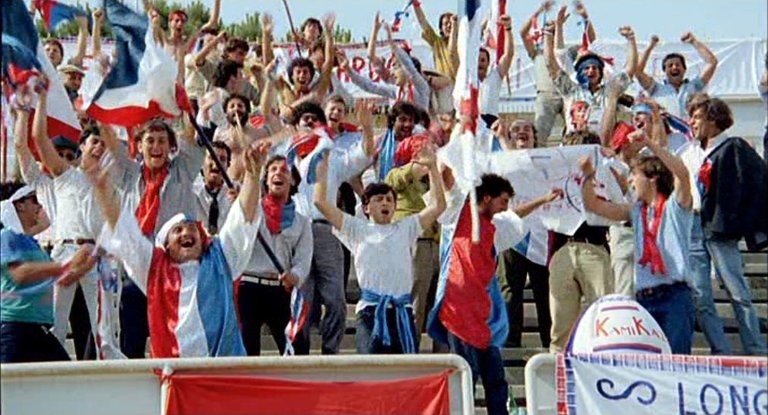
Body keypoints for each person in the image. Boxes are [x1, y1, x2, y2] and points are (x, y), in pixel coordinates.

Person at [93, 142, 269, 358]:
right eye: (177, 230)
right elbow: (125, 232)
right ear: (165, 245)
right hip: (177, 377)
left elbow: (243, 218)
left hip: (223, 373)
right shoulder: (154, 269)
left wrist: (253, 174)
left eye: (192, 229)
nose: (186, 233)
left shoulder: (221, 260)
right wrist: (102, 190)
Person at [315, 143, 446, 354]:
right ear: (366, 207)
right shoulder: (356, 229)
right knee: (370, 373)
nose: (385, 203)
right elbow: (321, 203)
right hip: (370, 312)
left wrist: (432, 168)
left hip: (402, 312)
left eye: (389, 200)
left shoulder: (406, 227)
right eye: (378, 199)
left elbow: (438, 206)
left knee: (404, 377)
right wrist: (322, 171)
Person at [580, 130, 696, 354]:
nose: (631, 181)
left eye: (635, 175)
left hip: (674, 296)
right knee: (646, 363)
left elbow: (682, 174)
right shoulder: (635, 211)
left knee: (677, 359)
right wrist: (587, 176)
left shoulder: (676, 206)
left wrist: (649, 143)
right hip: (643, 298)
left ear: (652, 178)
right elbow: (595, 206)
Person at [102, 118, 205, 359]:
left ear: (171, 147)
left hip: (172, 273)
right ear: (139, 146)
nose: (156, 147)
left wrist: (184, 107)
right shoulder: (128, 174)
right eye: (150, 141)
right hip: (137, 271)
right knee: (132, 342)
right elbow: (109, 141)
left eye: (162, 141)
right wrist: (104, 106)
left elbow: (189, 137)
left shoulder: (183, 170)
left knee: (172, 342)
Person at [428, 173, 528, 415]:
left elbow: (516, 216)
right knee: (466, 376)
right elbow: (446, 182)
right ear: (486, 197)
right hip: (459, 311)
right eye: (502, 201)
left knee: (496, 379)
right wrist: (434, 165)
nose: (505, 207)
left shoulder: (494, 226)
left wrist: (544, 199)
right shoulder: (457, 217)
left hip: (483, 315)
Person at [678, 95, 768, 355]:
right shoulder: (690, 151)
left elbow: (752, 183)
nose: (692, 122)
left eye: (697, 117)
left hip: (719, 229)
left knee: (737, 291)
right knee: (701, 296)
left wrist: (734, 219)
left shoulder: (733, 146)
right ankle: (721, 350)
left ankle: (754, 347)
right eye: (692, 117)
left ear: (714, 119)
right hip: (693, 226)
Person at [287, 101, 375, 355]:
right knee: (302, 299)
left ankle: (330, 351)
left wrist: (368, 129)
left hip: (326, 230)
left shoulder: (332, 157)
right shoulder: (285, 160)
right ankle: (300, 353)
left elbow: (365, 154)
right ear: (296, 127)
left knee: (335, 299)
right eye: (305, 121)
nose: (311, 125)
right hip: (296, 232)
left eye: (316, 121)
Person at [1, 183, 96, 363]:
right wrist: (65, 264)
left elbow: (63, 278)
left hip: (37, 329)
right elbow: (19, 273)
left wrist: (90, 259)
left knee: (65, 382)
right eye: (34, 200)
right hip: (13, 329)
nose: (40, 206)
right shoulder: (6, 236)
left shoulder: (31, 243)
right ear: (19, 205)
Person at [238, 155, 312, 356]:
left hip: (281, 289)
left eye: (284, 170)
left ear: (293, 180)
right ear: (266, 179)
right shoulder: (251, 211)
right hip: (250, 286)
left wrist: (294, 276)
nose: (278, 173)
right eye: (273, 170)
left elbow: (304, 258)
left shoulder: (302, 222)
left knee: (297, 348)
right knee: (247, 349)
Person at [547, 130, 614, 352]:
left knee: (604, 319)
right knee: (560, 325)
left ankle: (604, 371)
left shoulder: (604, 177)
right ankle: (558, 376)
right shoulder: (555, 178)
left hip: (593, 248)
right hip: (562, 250)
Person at [544, 21, 637, 135]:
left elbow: (630, 70)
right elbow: (550, 65)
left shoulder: (611, 91)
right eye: (586, 68)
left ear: (600, 72)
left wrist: (631, 39)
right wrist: (548, 34)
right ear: (579, 72)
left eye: (594, 68)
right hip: (575, 144)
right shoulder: (570, 89)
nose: (591, 71)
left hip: (602, 146)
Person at [339, 23, 430, 111]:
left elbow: (410, 67)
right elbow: (369, 86)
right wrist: (349, 70)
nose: (392, 72)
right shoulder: (396, 91)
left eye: (395, 67)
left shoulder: (421, 87)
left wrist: (392, 43)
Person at [635, 32, 718, 119]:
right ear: (664, 71)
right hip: (664, 131)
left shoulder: (694, 86)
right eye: (670, 65)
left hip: (691, 131)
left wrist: (694, 41)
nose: (674, 67)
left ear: (684, 69)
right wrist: (650, 47)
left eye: (678, 65)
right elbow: (638, 72)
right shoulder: (656, 88)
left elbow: (712, 63)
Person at [478, 15, 515, 128]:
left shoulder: (495, 76)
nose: (479, 63)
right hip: (473, 121)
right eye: (477, 60)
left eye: (483, 60)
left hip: (491, 121)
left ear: (488, 63)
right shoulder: (466, 78)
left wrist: (507, 29)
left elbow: (508, 54)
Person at [193, 141, 233, 235]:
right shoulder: (191, 190)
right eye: (212, 157)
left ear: (228, 165)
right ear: (202, 161)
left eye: (222, 159)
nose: (217, 163)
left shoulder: (235, 192)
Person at [413, 2, 458, 80]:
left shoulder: (462, 42)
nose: (449, 26)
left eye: (451, 23)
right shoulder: (436, 42)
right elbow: (423, 22)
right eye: (446, 23)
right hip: (443, 86)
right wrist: (416, 5)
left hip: (459, 86)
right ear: (441, 28)